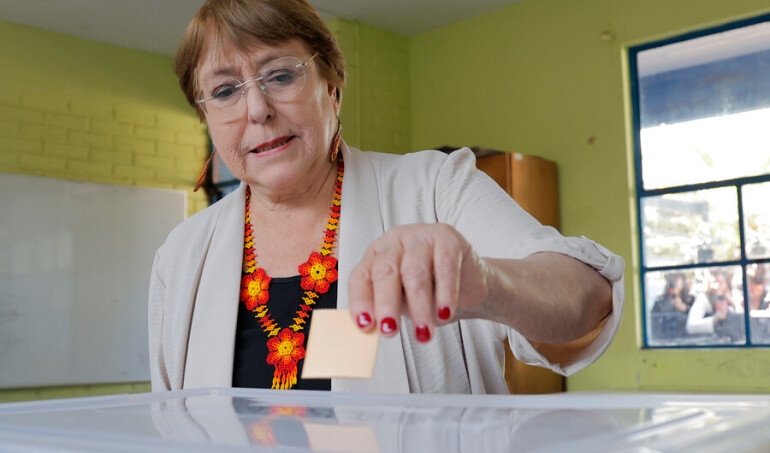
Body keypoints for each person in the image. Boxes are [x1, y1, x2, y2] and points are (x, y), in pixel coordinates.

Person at [148, 0, 625, 394]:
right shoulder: (182, 256)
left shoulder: (434, 188)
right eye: (225, 90)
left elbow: (589, 297)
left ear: (331, 86)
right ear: (206, 116)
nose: (257, 110)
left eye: (280, 75)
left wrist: (489, 283)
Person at [686, 269, 743, 340]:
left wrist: (733, 303)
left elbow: (744, 321)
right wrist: (714, 319)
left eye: (721, 282)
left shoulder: (734, 297)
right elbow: (691, 326)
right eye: (714, 282)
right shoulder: (703, 299)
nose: (717, 286)